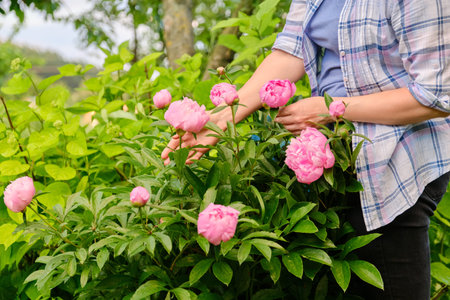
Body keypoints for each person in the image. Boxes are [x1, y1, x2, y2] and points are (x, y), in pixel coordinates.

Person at [162, 0, 450, 298]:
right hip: (330, 156)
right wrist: (223, 118)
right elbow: (292, 50)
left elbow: (436, 95)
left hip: (395, 160)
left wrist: (331, 109)